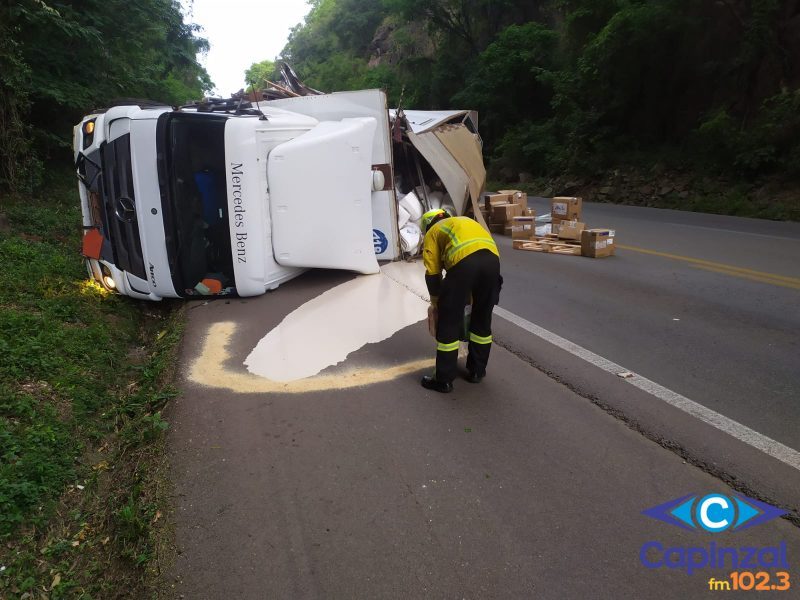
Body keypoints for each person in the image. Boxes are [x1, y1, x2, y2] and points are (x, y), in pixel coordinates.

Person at [420, 208, 502, 393]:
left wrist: (436, 303)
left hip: (464, 263)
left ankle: (443, 379)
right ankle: (477, 371)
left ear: (427, 225)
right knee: (482, 319)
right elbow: (481, 256)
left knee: (449, 321)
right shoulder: (463, 222)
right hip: (493, 263)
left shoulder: (433, 232)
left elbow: (432, 272)